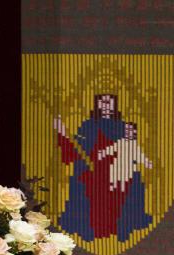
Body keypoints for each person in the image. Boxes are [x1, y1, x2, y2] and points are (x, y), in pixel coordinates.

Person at [54, 94, 152, 242]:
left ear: (114, 105)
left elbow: (131, 149)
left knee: (129, 187)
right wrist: (62, 132)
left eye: (109, 103)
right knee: (85, 189)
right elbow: (76, 148)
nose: (106, 106)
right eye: (103, 102)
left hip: (118, 171)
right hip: (91, 171)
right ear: (97, 105)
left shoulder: (122, 126)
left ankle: (122, 230)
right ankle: (89, 231)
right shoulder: (88, 125)